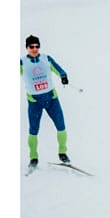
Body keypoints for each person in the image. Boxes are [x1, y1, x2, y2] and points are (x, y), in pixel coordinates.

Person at [21, 35, 74, 169]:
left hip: (51, 99)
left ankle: (62, 153)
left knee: (61, 126)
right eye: (31, 47)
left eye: (37, 46)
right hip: (35, 102)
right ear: (27, 48)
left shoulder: (46, 59)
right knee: (33, 130)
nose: (34, 49)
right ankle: (33, 157)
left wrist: (63, 76)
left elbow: (59, 69)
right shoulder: (22, 63)